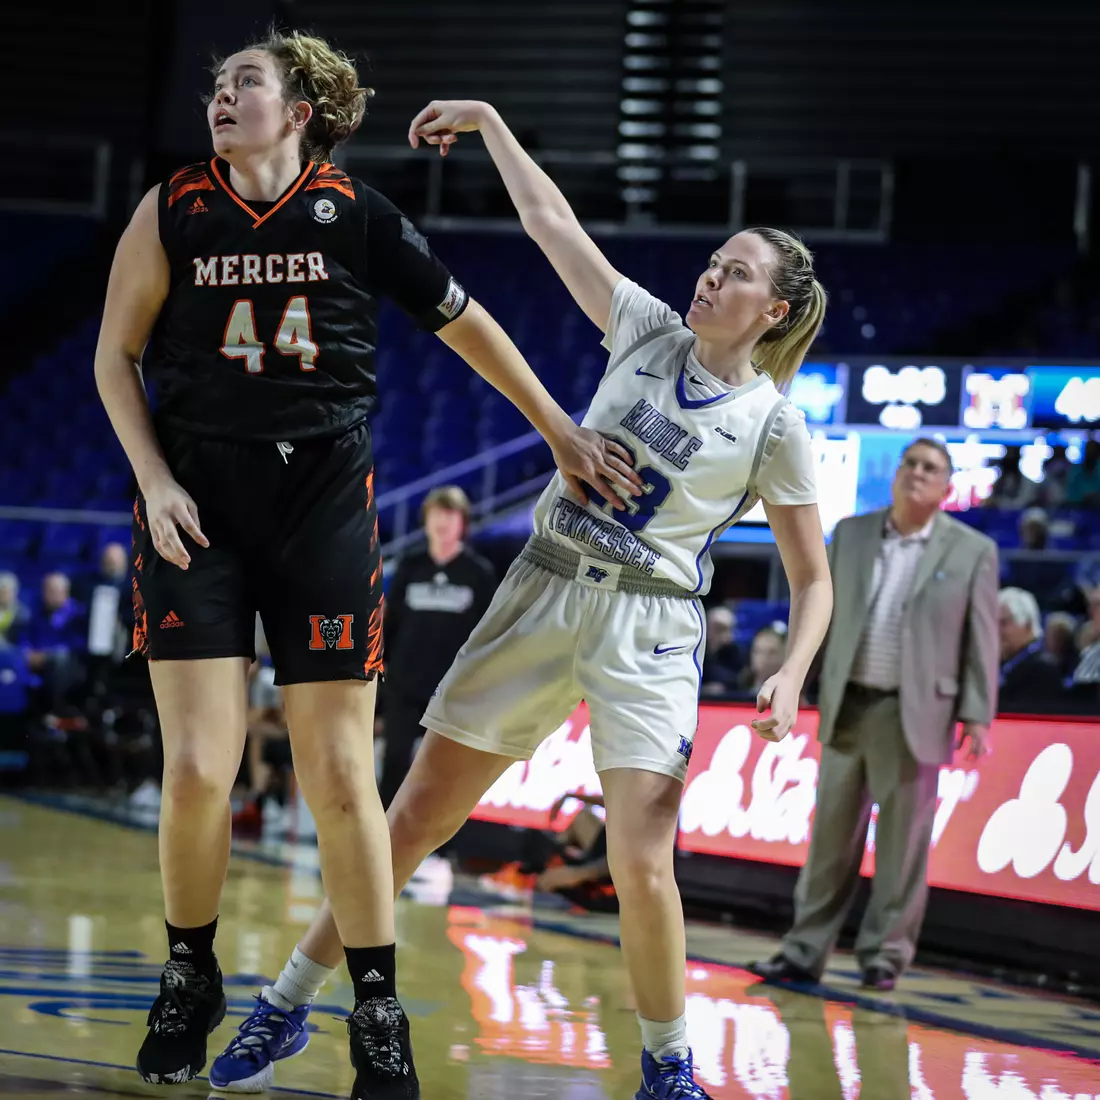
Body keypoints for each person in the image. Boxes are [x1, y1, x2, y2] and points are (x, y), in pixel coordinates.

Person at [216, 97, 834, 1100]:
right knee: (412, 816)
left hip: (648, 625)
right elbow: (552, 224)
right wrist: (495, 123)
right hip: (544, 588)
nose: (709, 276)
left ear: (772, 310)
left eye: (734, 273)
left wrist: (791, 672)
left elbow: (811, 579)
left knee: (641, 856)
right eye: (711, 262)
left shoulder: (775, 425)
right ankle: (286, 1000)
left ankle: (668, 1067)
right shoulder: (643, 328)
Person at [94, 36, 637, 1098]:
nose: (222, 97)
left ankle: (376, 1009)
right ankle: (187, 972)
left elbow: (465, 323)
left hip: (320, 503)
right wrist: (154, 480)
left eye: (244, 82)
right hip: (194, 498)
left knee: (341, 774)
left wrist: (563, 433)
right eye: (214, 87)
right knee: (200, 768)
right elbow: (115, 355)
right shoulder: (171, 206)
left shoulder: (357, 212)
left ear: (299, 108)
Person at [751, 438, 999, 993]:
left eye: (930, 468)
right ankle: (802, 951)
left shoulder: (971, 550)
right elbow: (819, 613)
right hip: (849, 702)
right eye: (910, 463)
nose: (916, 472)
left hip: (917, 712)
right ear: (896, 474)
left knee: (902, 848)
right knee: (828, 843)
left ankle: (885, 955)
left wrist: (977, 715)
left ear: (946, 487)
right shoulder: (853, 533)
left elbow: (980, 640)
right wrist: (793, 679)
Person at [377, 485, 496, 808]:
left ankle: (442, 844)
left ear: (463, 522)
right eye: (436, 514)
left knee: (444, 770)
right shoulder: (410, 567)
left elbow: (486, 635)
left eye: (450, 514)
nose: (442, 521)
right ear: (425, 520)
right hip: (404, 683)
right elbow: (391, 622)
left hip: (451, 689)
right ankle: (383, 836)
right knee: (395, 761)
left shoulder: (478, 574)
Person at [996, 586, 1064, 712]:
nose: (997, 631)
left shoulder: (1044, 668)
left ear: (1027, 624)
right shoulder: (1002, 664)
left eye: (1003, 623)